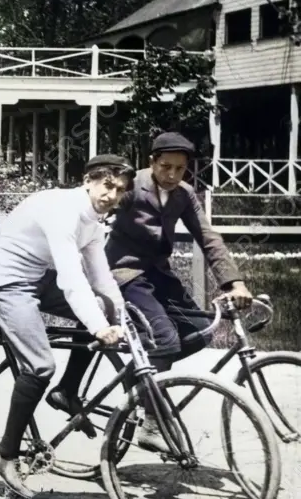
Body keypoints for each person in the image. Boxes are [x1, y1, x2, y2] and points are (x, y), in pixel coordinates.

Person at [53, 131, 253, 453]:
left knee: (201, 331)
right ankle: (151, 420)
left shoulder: (184, 194)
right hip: (122, 273)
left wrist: (233, 283)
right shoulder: (130, 188)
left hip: (158, 274)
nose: (172, 175)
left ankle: (140, 375)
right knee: (165, 338)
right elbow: (93, 210)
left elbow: (208, 237)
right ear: (152, 162)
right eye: (165, 167)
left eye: (180, 168)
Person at [0, 154, 133, 499]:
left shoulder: (93, 220)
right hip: (5, 280)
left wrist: (119, 316)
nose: (112, 195)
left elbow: (100, 276)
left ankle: (68, 391)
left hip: (35, 277)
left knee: (102, 306)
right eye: (107, 185)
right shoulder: (63, 208)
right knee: (40, 364)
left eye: (119, 190)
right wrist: (97, 328)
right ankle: (4, 454)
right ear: (89, 180)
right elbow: (71, 276)